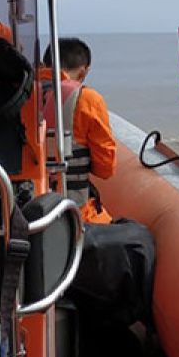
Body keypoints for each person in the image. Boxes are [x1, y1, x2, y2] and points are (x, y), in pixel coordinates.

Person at [40, 38, 116, 225]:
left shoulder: (19, 95)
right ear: (84, 71)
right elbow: (105, 168)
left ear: (44, 65)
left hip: (23, 208)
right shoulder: (87, 99)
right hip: (71, 211)